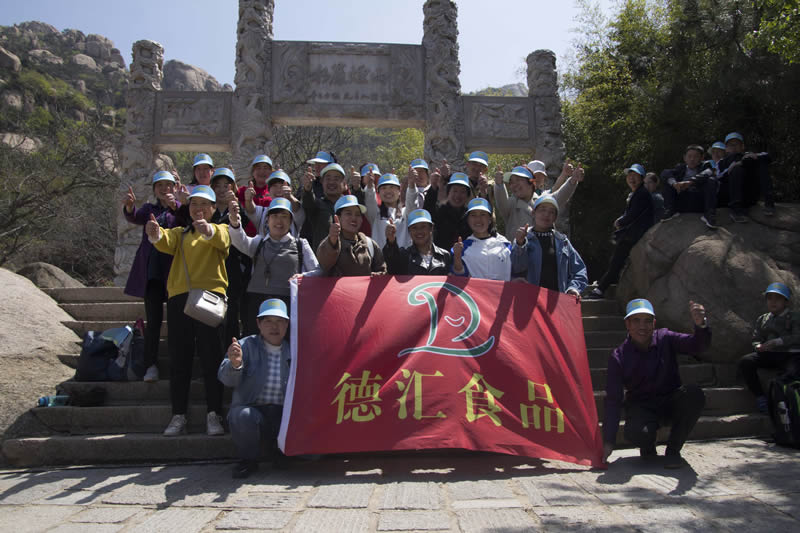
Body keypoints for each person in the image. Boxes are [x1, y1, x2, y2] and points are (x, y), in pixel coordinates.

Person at [146, 185, 230, 437]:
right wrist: (154, 233)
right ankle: (178, 414)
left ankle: (214, 414)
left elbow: (221, 239)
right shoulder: (180, 233)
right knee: (179, 359)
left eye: (204, 204)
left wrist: (207, 229)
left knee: (212, 358)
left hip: (210, 299)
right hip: (180, 300)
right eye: (194, 204)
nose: (198, 208)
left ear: (214, 208)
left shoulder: (221, 229)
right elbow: (163, 240)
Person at [603, 299, 710, 469]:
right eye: (636, 320)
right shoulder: (618, 357)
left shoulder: (665, 338)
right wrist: (608, 442)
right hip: (641, 407)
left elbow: (697, 346)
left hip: (670, 401)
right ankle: (648, 445)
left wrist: (701, 325)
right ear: (627, 324)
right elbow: (613, 400)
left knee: (694, 394)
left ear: (654, 323)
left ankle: (673, 450)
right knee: (636, 433)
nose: (642, 326)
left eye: (647, 321)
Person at [218, 298, 292, 478]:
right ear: (258, 323)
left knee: (313, 455)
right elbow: (225, 379)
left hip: (283, 414)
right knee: (241, 415)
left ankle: (281, 452)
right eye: (268, 321)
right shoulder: (245, 345)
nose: (274, 326)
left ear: (287, 324)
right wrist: (235, 364)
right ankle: (248, 460)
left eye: (280, 321)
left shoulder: (294, 349)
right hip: (254, 411)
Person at [228, 197, 319, 336]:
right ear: (267, 220)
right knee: (255, 340)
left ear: (291, 221)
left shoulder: (301, 244)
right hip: (257, 301)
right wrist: (235, 223)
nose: (279, 221)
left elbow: (318, 271)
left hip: (288, 301)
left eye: (284, 216)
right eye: (275, 216)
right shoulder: (259, 242)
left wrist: (303, 277)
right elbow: (240, 242)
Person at [122, 170, 180, 383]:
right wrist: (130, 207)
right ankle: (150, 365)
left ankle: (177, 364)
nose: (165, 189)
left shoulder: (181, 209)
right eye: (160, 186)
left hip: (175, 273)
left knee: (176, 323)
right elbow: (134, 217)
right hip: (153, 273)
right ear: (154, 190)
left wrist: (177, 206)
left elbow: (187, 221)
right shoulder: (149, 209)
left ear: (175, 187)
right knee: (153, 322)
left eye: (168, 185)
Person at [586, 164, 655, 299]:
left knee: (616, 262)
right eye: (630, 176)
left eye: (635, 176)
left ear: (642, 178)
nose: (632, 179)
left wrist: (620, 222)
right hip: (634, 234)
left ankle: (600, 290)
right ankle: (606, 284)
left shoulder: (641, 193)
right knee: (617, 261)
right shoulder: (638, 193)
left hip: (634, 235)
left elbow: (633, 214)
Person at [738, 283, 800, 413]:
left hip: (790, 354)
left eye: (778, 298)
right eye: (770, 298)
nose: (773, 302)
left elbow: (797, 336)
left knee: (792, 371)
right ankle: (760, 397)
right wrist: (758, 346)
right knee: (746, 361)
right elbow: (756, 338)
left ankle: (785, 399)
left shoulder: (795, 317)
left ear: (785, 301)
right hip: (770, 354)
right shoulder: (763, 319)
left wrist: (778, 341)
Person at [511, 195, 587, 297]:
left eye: (551, 212)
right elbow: (516, 269)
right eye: (542, 210)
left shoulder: (563, 242)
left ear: (555, 218)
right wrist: (520, 244)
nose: (546, 214)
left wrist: (573, 288)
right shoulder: (523, 239)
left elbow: (579, 271)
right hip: (529, 300)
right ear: (533, 213)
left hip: (557, 301)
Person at [494, 163, 584, 241]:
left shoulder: (543, 199)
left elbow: (561, 196)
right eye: (511, 182)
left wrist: (573, 180)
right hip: (518, 253)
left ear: (531, 182)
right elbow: (501, 201)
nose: (514, 185)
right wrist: (499, 185)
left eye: (518, 180)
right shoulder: (511, 205)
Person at [210, 167, 248, 343]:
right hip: (211, 269)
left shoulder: (238, 209)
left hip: (232, 269)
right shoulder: (208, 211)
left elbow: (245, 227)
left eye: (226, 185)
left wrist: (236, 207)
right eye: (218, 186)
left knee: (231, 314)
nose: (222, 189)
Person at [317, 195, 387, 276]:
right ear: (338, 218)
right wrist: (332, 242)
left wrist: (377, 276)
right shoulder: (329, 243)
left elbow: (382, 270)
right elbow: (324, 264)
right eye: (348, 214)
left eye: (358, 214)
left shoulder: (369, 244)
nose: (354, 218)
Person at [717, 132, 776, 222]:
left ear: (742, 146)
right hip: (731, 195)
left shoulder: (748, 156)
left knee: (761, 163)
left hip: (749, 194)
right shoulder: (722, 162)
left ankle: (769, 203)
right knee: (736, 169)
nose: (734, 147)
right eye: (731, 145)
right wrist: (731, 168)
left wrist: (753, 157)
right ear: (726, 148)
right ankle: (736, 210)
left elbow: (767, 156)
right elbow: (718, 177)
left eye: (737, 144)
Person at [452, 198, 513, 281]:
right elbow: (459, 276)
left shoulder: (504, 244)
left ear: (490, 219)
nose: (478, 219)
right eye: (473, 215)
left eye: (483, 214)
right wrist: (457, 257)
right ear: (468, 220)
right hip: (474, 290)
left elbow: (516, 271)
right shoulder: (462, 247)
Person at [660, 145, 719, 228]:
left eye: (696, 156)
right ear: (684, 158)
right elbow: (665, 173)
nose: (692, 159)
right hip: (683, 201)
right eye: (689, 156)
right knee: (668, 180)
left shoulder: (706, 166)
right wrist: (674, 184)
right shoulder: (680, 168)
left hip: (699, 202)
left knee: (711, 180)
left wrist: (690, 182)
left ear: (702, 158)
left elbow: (709, 172)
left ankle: (709, 214)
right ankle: (670, 210)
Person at [384, 209, 452, 275]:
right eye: (414, 228)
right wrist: (391, 242)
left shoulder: (444, 256)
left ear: (431, 228)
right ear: (409, 231)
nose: (419, 231)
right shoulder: (404, 255)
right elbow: (392, 267)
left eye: (423, 227)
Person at [244, 170, 305, 237]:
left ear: (289, 189)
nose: (278, 190)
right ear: (268, 190)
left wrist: (290, 197)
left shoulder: (294, 212)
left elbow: (297, 208)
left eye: (282, 186)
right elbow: (251, 210)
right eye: (274, 186)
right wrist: (248, 200)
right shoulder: (262, 212)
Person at [301, 162, 347, 251]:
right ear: (322, 182)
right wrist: (307, 189)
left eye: (336, 179)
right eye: (328, 178)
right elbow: (308, 202)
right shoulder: (317, 205)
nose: (332, 182)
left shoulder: (349, 205)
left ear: (344, 182)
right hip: (322, 257)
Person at [365, 172, 416, 249]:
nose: (388, 191)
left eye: (392, 187)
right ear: (378, 192)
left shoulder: (406, 213)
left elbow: (412, 201)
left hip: (405, 256)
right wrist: (369, 186)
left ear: (399, 191)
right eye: (384, 188)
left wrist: (412, 185)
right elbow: (370, 200)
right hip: (380, 256)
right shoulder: (375, 214)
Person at [423, 172, 472, 250]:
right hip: (442, 255)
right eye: (455, 191)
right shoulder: (439, 212)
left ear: (467, 196)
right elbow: (427, 211)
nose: (458, 195)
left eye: (462, 192)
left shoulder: (470, 216)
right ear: (448, 193)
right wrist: (433, 188)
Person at [237, 155, 273, 237]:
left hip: (269, 236)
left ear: (271, 172)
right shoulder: (243, 191)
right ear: (253, 172)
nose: (262, 171)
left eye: (265, 168)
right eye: (258, 168)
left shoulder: (275, 192)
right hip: (246, 237)